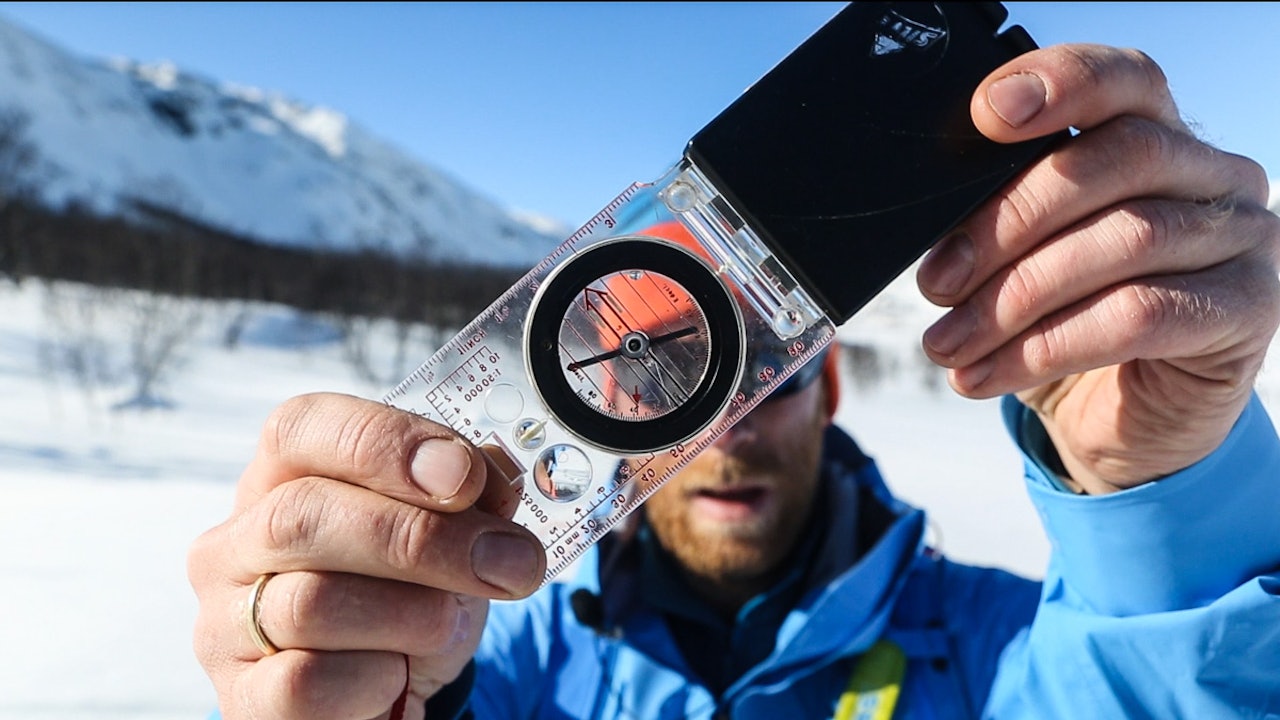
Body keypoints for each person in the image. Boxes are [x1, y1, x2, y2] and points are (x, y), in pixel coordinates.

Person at [188, 41, 1280, 719]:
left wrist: (1165, 493)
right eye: (646, 372)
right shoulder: (494, 656)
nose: (720, 429)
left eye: (761, 384)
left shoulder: (990, 649)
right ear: (590, 391)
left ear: (829, 390)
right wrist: (349, 683)